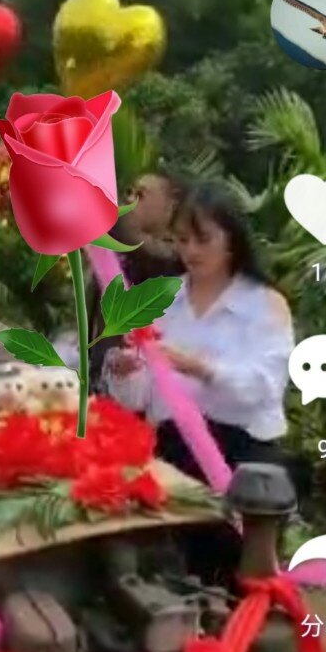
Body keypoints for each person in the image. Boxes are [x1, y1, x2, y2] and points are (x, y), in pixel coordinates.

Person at [104, 182, 294, 478]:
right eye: (182, 239)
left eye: (203, 239)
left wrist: (199, 368)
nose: (191, 250)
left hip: (243, 458)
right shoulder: (161, 298)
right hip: (171, 453)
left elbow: (263, 387)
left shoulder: (265, 303)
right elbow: (140, 398)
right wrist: (125, 371)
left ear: (232, 240)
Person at [87, 170, 186, 389]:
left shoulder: (181, 256)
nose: (130, 200)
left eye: (141, 195)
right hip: (101, 375)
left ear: (171, 206)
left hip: (146, 386)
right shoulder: (120, 245)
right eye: (130, 193)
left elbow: (151, 253)